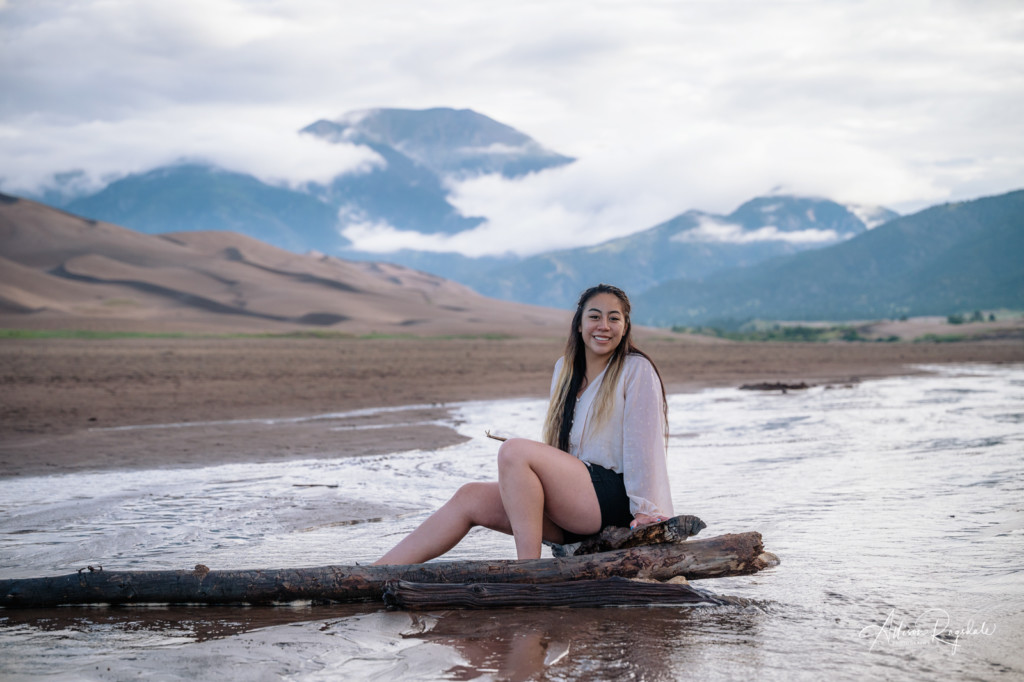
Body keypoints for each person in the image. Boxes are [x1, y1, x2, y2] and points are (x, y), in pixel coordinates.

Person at [374, 283, 673, 564]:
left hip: (613, 501)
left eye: (614, 318)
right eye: (594, 316)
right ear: (579, 324)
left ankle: (528, 572)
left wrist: (648, 512)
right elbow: (566, 450)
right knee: (470, 496)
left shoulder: (636, 369)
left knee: (515, 450)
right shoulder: (565, 370)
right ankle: (375, 571)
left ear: (625, 327)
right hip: (577, 504)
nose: (603, 326)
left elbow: (643, 448)